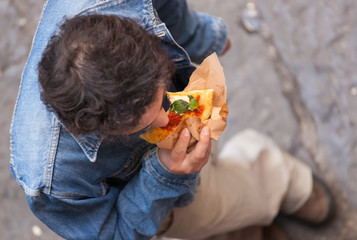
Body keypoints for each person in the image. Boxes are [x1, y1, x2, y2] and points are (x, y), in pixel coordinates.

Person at [10, 0, 334, 239]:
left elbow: (163, 6)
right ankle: (283, 186)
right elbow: (114, 233)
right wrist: (164, 175)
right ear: (98, 129)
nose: (170, 116)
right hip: (150, 194)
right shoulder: (50, 179)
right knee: (214, 207)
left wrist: (200, 36)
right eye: (143, 124)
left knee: (217, 198)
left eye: (162, 94)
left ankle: (261, 209)